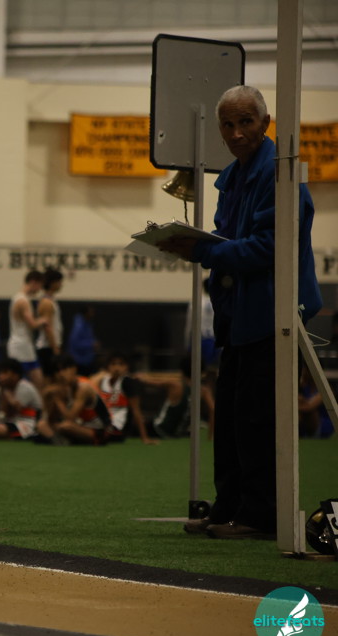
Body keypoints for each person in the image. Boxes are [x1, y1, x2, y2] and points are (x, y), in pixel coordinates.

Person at [159, 85, 322, 540]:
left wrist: (201, 251)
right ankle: (229, 508)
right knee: (230, 418)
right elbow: (228, 238)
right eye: (228, 124)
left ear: (265, 123)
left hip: (274, 314)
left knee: (257, 419)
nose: (235, 133)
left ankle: (261, 516)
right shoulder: (233, 176)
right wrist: (197, 246)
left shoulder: (279, 172)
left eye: (245, 122)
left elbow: (270, 247)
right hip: (238, 315)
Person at [36, 354, 111, 445]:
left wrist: (57, 400)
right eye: (57, 371)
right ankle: (59, 441)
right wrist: (47, 397)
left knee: (66, 426)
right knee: (42, 425)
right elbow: (50, 419)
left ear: (74, 369)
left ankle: (60, 440)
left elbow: (70, 418)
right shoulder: (65, 389)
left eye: (64, 369)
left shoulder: (83, 387)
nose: (61, 374)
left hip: (99, 431)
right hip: (78, 427)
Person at [137, 357, 216, 440]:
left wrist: (141, 377)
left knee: (137, 425)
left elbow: (152, 382)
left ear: (181, 371)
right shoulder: (204, 391)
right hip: (178, 433)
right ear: (202, 372)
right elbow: (213, 410)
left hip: (158, 429)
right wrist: (210, 436)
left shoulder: (175, 385)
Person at [91, 352, 157, 445]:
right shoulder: (103, 381)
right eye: (113, 364)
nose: (117, 368)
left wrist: (144, 438)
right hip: (102, 423)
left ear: (126, 367)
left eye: (121, 364)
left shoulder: (128, 383)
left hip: (118, 428)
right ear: (108, 367)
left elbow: (136, 411)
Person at [7, 270, 47, 389]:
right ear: (33, 282)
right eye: (40, 286)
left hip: (20, 345)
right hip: (22, 346)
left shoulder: (17, 298)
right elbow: (32, 324)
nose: (39, 290)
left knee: (24, 383)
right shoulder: (23, 301)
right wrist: (44, 320)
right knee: (37, 382)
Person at [35, 267, 64, 377]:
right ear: (52, 283)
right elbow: (48, 327)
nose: (61, 284)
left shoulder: (51, 300)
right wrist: (55, 349)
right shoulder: (46, 302)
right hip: (47, 347)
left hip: (50, 346)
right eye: (59, 282)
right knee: (49, 379)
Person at [66, 306, 99, 376]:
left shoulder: (87, 323)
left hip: (86, 360)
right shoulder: (79, 326)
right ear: (86, 313)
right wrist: (91, 344)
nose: (93, 314)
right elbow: (75, 343)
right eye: (91, 312)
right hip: (80, 361)